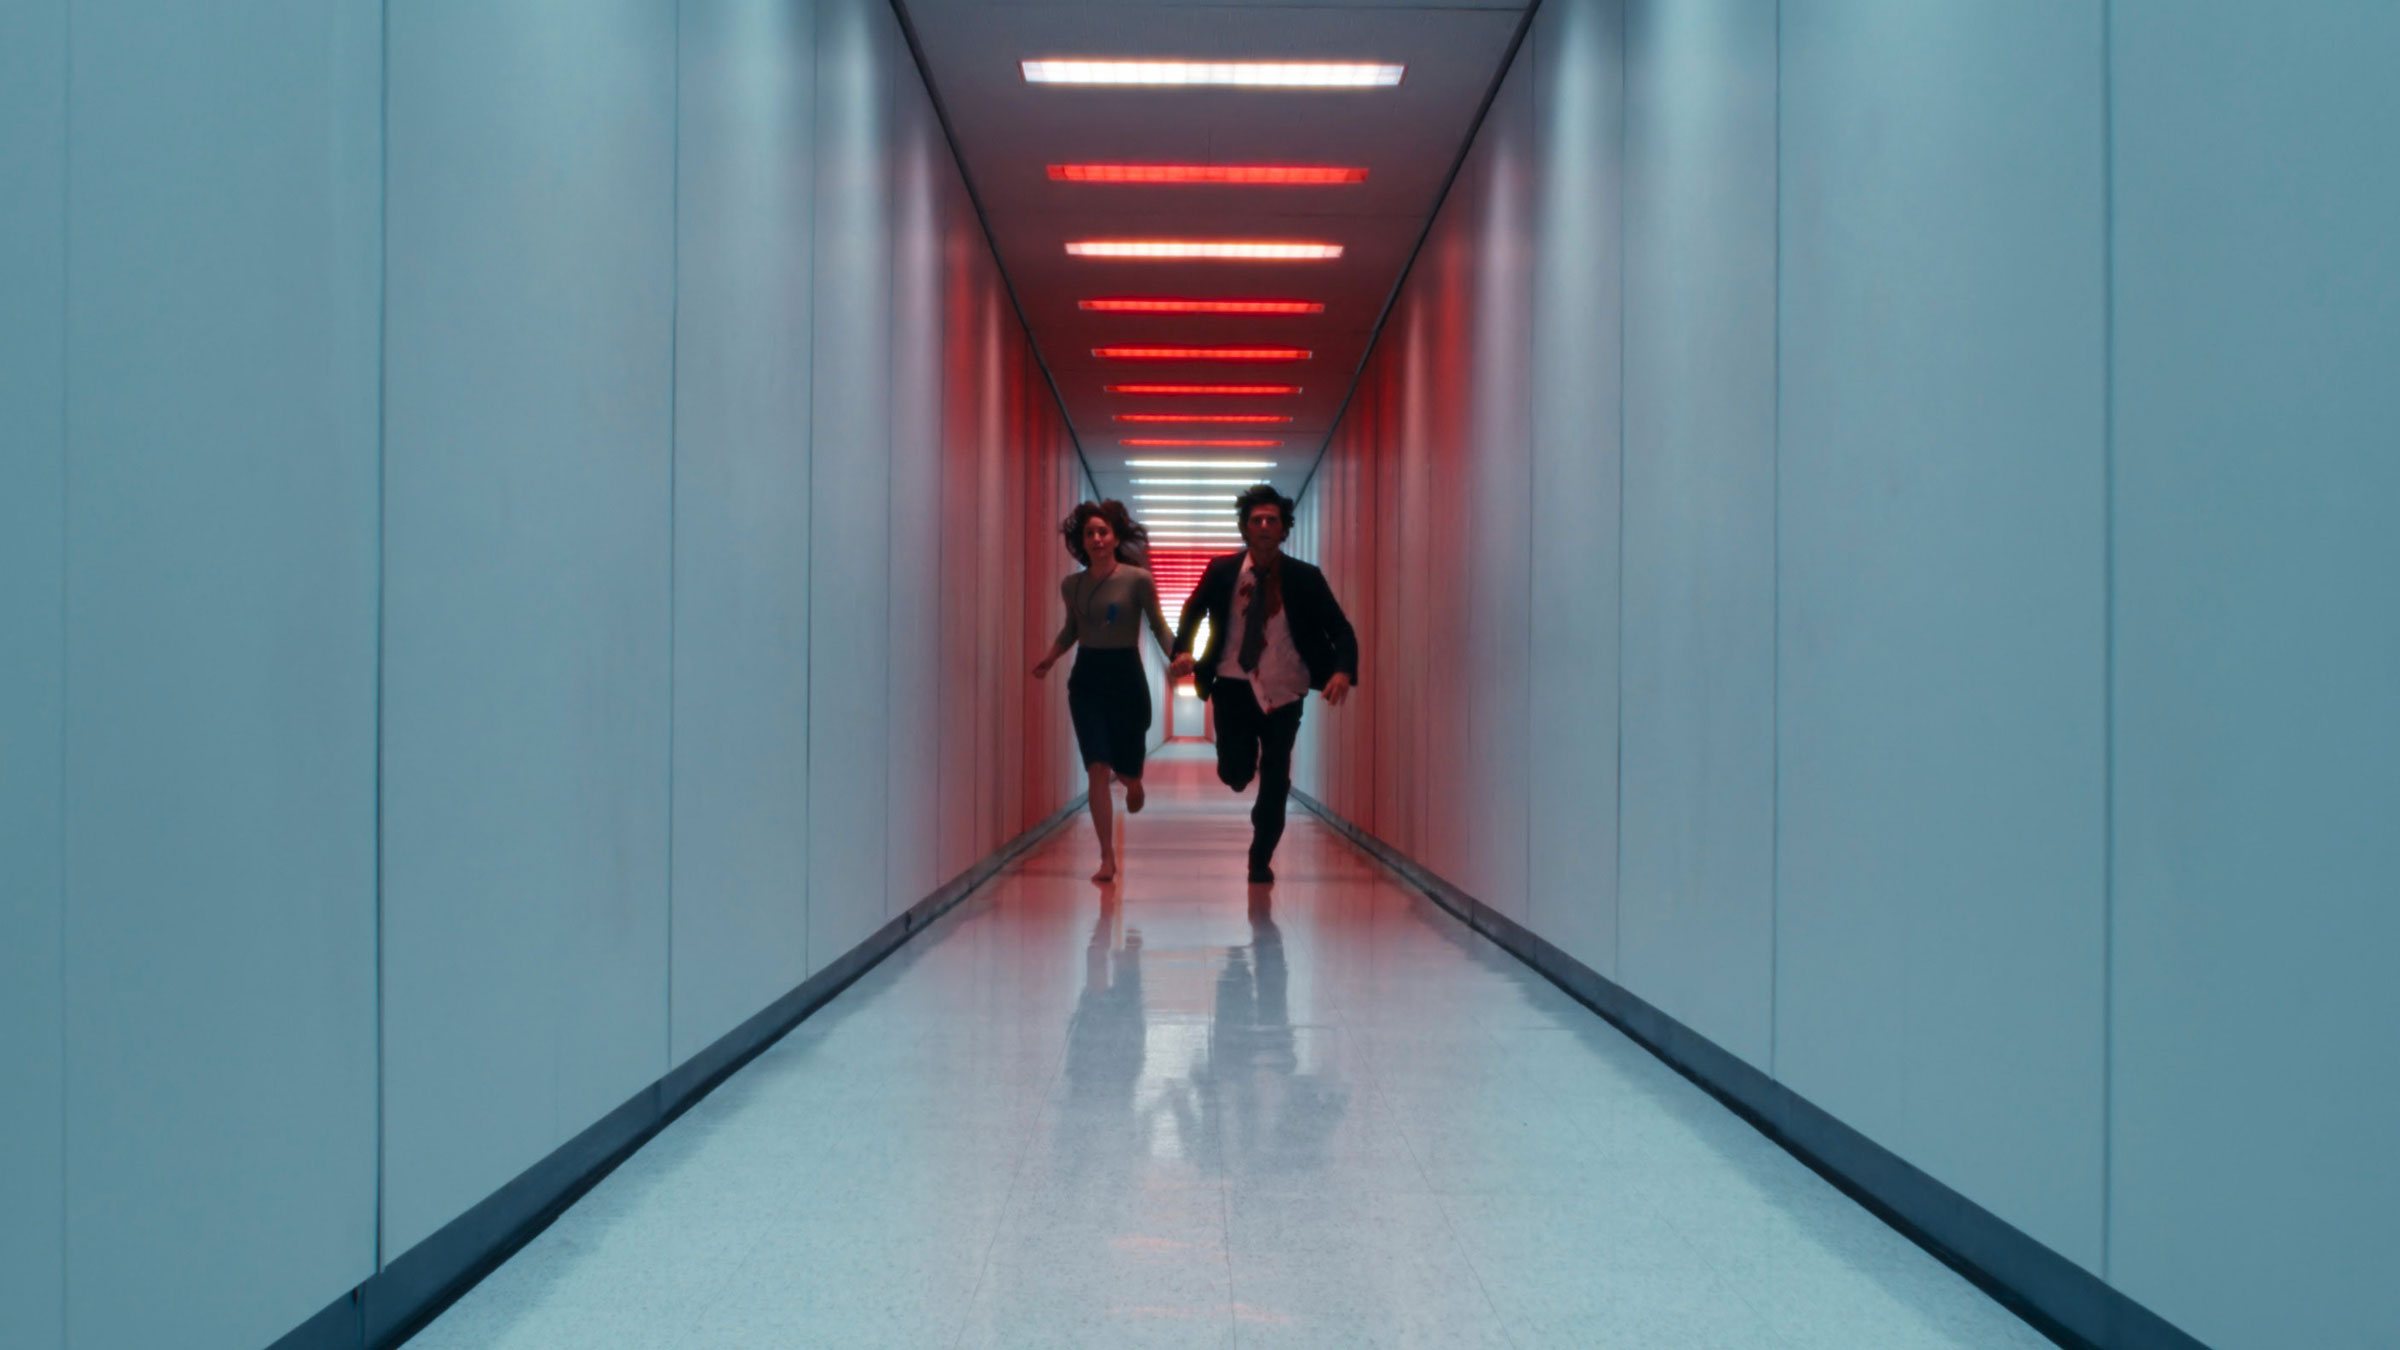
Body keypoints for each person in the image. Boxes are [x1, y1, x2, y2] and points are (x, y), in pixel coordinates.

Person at [1167, 484, 1359, 884]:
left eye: (1273, 520)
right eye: (1257, 520)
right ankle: (1241, 781)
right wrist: (1182, 650)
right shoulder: (1222, 571)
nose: (1265, 526)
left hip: (1285, 690)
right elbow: (1193, 609)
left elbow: (1340, 628)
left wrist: (1342, 670)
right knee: (1235, 772)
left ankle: (1261, 857)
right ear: (1245, 528)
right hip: (1233, 685)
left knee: (1276, 778)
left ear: (1285, 528)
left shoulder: (1305, 578)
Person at [1033, 500, 1176, 883]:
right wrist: (1050, 658)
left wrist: (1179, 656)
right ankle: (1107, 858)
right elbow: (1071, 630)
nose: (1096, 539)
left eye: (1103, 532)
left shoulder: (1137, 580)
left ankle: (1133, 780)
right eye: (1089, 533)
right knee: (1097, 766)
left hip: (1126, 675)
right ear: (1082, 541)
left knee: (1125, 763)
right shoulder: (1072, 586)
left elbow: (1159, 625)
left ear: (1115, 537)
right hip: (1088, 678)